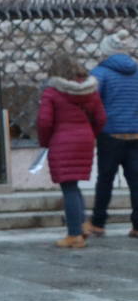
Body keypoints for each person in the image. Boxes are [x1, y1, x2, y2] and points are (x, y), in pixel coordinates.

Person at [36, 51, 106, 248]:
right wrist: (90, 134)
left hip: (62, 140)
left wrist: (45, 141)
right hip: (84, 140)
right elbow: (101, 118)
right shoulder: (90, 90)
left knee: (68, 187)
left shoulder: (52, 91)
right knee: (73, 185)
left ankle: (74, 234)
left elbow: (44, 121)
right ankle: (81, 226)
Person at [84, 29, 138, 238]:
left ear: (105, 52)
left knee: (105, 179)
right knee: (136, 182)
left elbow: (91, 103)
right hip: (135, 133)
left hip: (110, 134)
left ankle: (98, 223)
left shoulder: (100, 73)